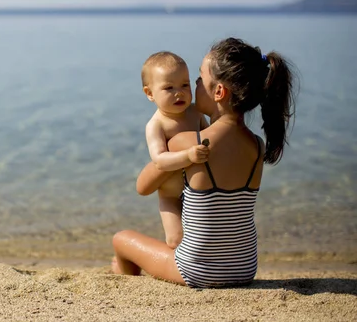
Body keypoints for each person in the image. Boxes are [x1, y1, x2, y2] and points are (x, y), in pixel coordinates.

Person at [113, 38, 297, 288]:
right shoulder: (257, 145)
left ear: (219, 92)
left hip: (198, 271)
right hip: (245, 268)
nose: (193, 87)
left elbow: (143, 187)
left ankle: (126, 288)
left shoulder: (190, 142)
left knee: (121, 239)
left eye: (198, 80)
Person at [140, 51, 209, 249]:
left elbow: (208, 135)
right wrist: (188, 156)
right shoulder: (156, 125)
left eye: (185, 85)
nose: (179, 92)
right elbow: (159, 160)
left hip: (196, 192)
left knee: (199, 238)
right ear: (150, 93)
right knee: (175, 239)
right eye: (169, 88)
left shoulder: (195, 112)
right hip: (170, 196)